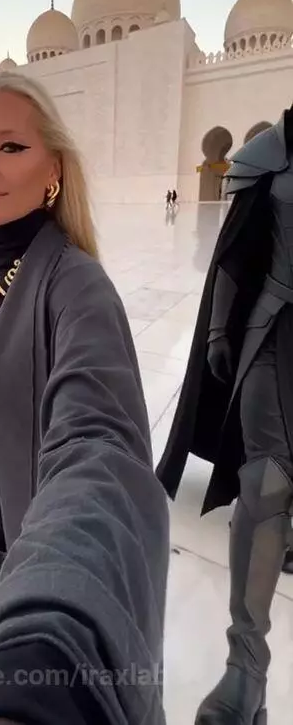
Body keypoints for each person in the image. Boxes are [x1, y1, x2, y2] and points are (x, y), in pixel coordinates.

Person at [0, 71, 169, 725]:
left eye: (10, 146)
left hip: (33, 535)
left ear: (53, 167)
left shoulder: (78, 286)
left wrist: (63, 594)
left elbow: (99, 439)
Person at [156, 105, 293, 725]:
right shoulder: (272, 155)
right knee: (264, 484)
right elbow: (235, 255)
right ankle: (246, 668)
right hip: (274, 334)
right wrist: (219, 329)